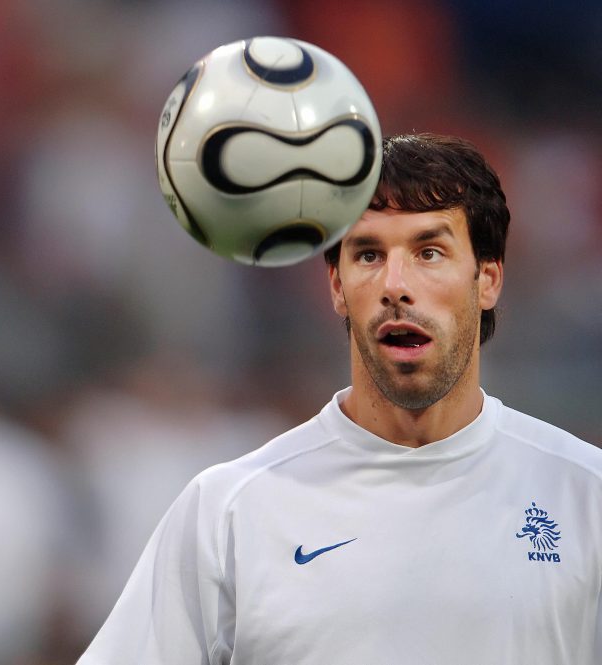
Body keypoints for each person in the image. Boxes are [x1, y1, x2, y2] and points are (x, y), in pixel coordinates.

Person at [76, 133, 602, 664]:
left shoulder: (587, 497)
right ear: (336, 284)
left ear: (486, 280)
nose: (395, 284)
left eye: (429, 252)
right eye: (369, 254)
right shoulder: (230, 511)